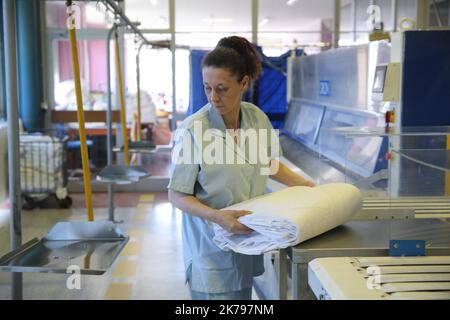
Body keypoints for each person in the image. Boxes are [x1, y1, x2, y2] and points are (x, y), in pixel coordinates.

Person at [168, 36, 315, 300]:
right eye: (207, 88)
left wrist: (306, 187)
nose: (214, 97)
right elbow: (177, 195)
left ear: (244, 83)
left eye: (222, 88)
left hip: (247, 242)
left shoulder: (256, 119)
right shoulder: (193, 130)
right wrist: (218, 217)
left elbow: (269, 164)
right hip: (211, 248)